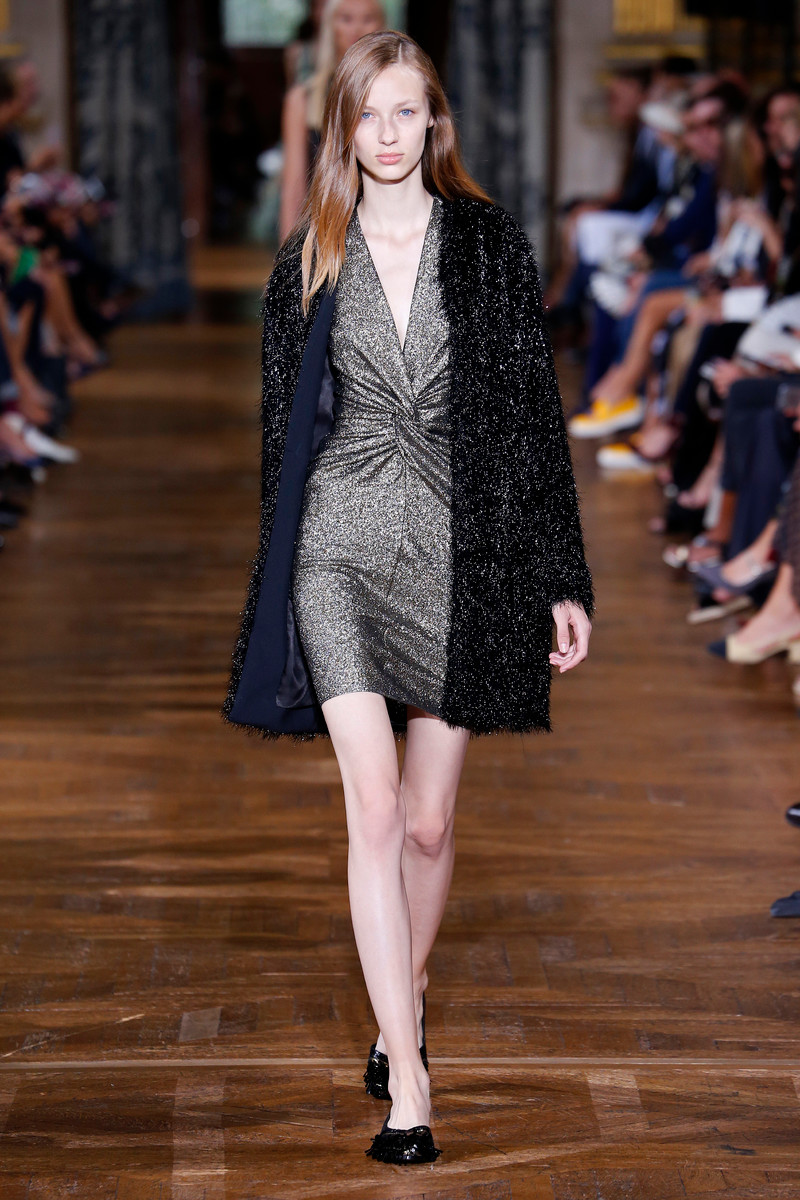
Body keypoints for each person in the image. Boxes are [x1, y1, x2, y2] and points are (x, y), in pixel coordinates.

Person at [223, 31, 593, 1164]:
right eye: (366, 114)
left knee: (429, 824)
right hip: (337, 545)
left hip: (459, 547)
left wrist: (559, 577)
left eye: (404, 111)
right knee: (375, 814)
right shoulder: (308, 258)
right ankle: (410, 1083)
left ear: (435, 121)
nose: (386, 134)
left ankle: (405, 997)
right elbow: (284, 443)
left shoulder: (487, 246)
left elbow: (532, 419)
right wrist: (278, 582)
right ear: (341, 128)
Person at [278, 0, 385, 241]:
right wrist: (286, 256)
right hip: (325, 236)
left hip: (389, 234)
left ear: (382, 26)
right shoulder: (303, 99)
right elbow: (293, 189)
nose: (357, 28)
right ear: (329, 26)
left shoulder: (400, 95)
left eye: (368, 18)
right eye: (346, 19)